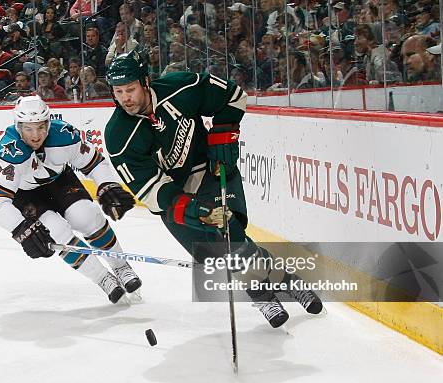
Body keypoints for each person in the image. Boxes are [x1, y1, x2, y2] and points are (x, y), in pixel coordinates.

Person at [103, 51, 323, 328]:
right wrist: (194, 209)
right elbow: (151, 191)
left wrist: (223, 134)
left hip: (210, 170)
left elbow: (233, 96)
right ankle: (269, 287)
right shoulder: (118, 136)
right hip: (176, 194)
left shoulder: (181, 87)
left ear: (146, 81)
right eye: (118, 91)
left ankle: (278, 286)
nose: (125, 98)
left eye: (131, 89)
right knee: (215, 254)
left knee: (230, 236)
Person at [0, 95, 140, 303]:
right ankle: (102, 278)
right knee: (56, 230)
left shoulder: (63, 135)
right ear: (18, 126)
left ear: (49, 123)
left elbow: (94, 162)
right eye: (28, 128)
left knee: (85, 216)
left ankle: (121, 267)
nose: (35, 135)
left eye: (40, 127)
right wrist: (21, 229)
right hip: (25, 194)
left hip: (58, 180)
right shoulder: (7, 152)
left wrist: (106, 184)